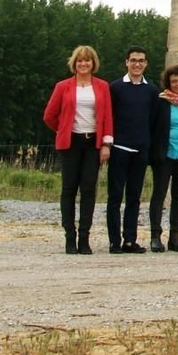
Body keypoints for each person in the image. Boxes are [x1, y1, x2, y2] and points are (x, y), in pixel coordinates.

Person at [43, 45, 113, 255]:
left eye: (87, 60)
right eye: (80, 61)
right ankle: (69, 237)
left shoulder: (102, 87)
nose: (83, 64)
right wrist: (64, 129)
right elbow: (49, 115)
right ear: (74, 64)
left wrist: (106, 144)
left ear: (93, 63)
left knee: (89, 189)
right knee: (69, 189)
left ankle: (84, 237)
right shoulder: (63, 86)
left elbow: (108, 116)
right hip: (70, 143)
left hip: (93, 143)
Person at [106, 47, 158, 253]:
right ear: (126, 62)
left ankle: (130, 240)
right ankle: (114, 241)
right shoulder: (116, 88)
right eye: (133, 60)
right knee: (115, 196)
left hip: (141, 150)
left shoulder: (152, 90)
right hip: (119, 148)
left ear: (146, 64)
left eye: (141, 61)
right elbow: (109, 116)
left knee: (134, 198)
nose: (137, 64)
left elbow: (153, 120)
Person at [147, 64, 178, 252]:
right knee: (159, 195)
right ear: (168, 83)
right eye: (174, 80)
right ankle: (155, 235)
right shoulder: (161, 102)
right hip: (165, 155)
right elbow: (153, 127)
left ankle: (174, 236)